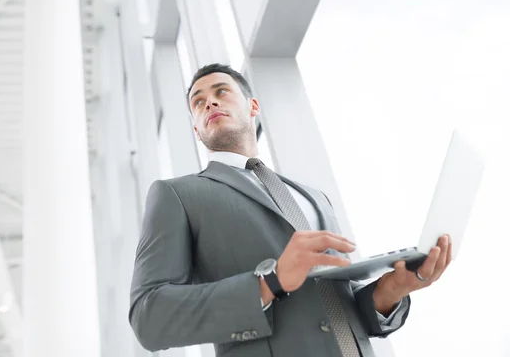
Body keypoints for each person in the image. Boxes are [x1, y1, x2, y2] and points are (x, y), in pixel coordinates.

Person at [129, 63, 452, 357]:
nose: (210, 103)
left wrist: (392, 289)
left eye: (221, 91)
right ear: (197, 130)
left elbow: (338, 304)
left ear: (253, 106)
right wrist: (270, 281)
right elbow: (149, 317)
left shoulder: (313, 198)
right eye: (198, 102)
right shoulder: (176, 194)